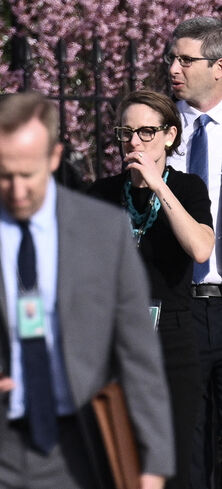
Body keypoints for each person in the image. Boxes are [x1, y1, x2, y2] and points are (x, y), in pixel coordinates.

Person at [0, 92, 174, 489]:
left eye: (29, 173)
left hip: (81, 448)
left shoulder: (103, 230)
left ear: (55, 157)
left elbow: (138, 353)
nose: (17, 189)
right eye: (5, 174)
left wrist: (153, 462)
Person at [87, 89, 212, 489]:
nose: (134, 142)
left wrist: (159, 186)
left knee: (170, 465)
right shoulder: (103, 193)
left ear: (169, 136)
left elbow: (200, 248)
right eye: (126, 133)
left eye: (146, 132)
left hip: (172, 335)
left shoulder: (188, 189)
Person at [164, 18, 222, 489]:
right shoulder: (159, 134)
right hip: (180, 305)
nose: (174, 68)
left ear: (219, 67)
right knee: (186, 441)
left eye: (186, 59)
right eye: (172, 58)